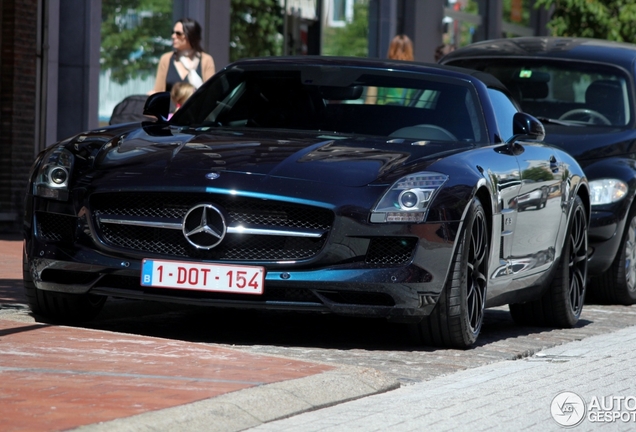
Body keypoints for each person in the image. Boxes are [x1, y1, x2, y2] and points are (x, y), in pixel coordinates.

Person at [149, 18, 215, 95]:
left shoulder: (205, 60)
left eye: (178, 33)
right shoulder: (166, 59)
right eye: (173, 32)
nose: (173, 36)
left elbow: (211, 92)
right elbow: (158, 92)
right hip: (171, 107)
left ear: (190, 35)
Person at [366, 34, 414, 104]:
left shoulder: (378, 75)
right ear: (410, 52)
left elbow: (369, 103)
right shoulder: (415, 77)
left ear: (391, 51)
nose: (399, 56)